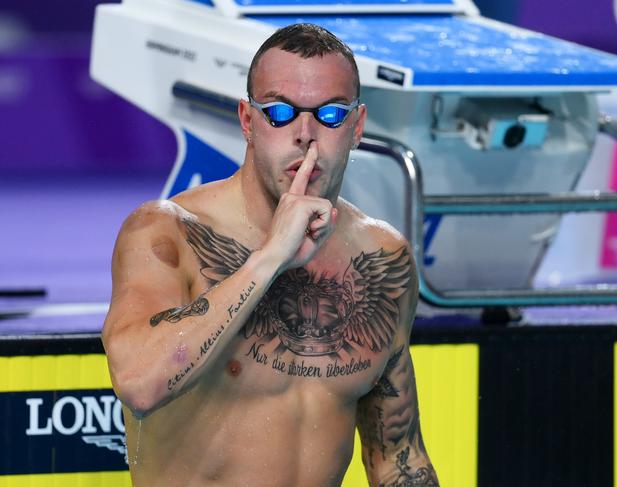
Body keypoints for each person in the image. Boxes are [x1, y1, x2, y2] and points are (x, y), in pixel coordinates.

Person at [102, 23, 439, 487]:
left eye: (331, 114)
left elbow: (398, 457)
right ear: (247, 121)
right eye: (280, 112)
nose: (305, 134)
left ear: (357, 127)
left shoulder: (382, 257)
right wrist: (269, 258)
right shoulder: (168, 232)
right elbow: (139, 383)